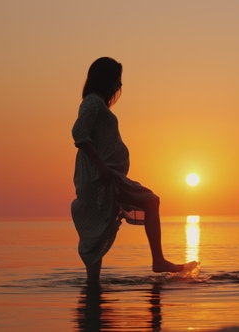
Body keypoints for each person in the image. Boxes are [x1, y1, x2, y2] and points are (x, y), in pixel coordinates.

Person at [71, 57, 184, 284]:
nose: (120, 85)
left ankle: (92, 286)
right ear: (107, 79)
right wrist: (102, 166)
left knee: (98, 228)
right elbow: (78, 134)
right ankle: (158, 260)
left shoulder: (97, 104)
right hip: (102, 177)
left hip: (104, 177)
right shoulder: (92, 103)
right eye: (117, 79)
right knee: (151, 201)